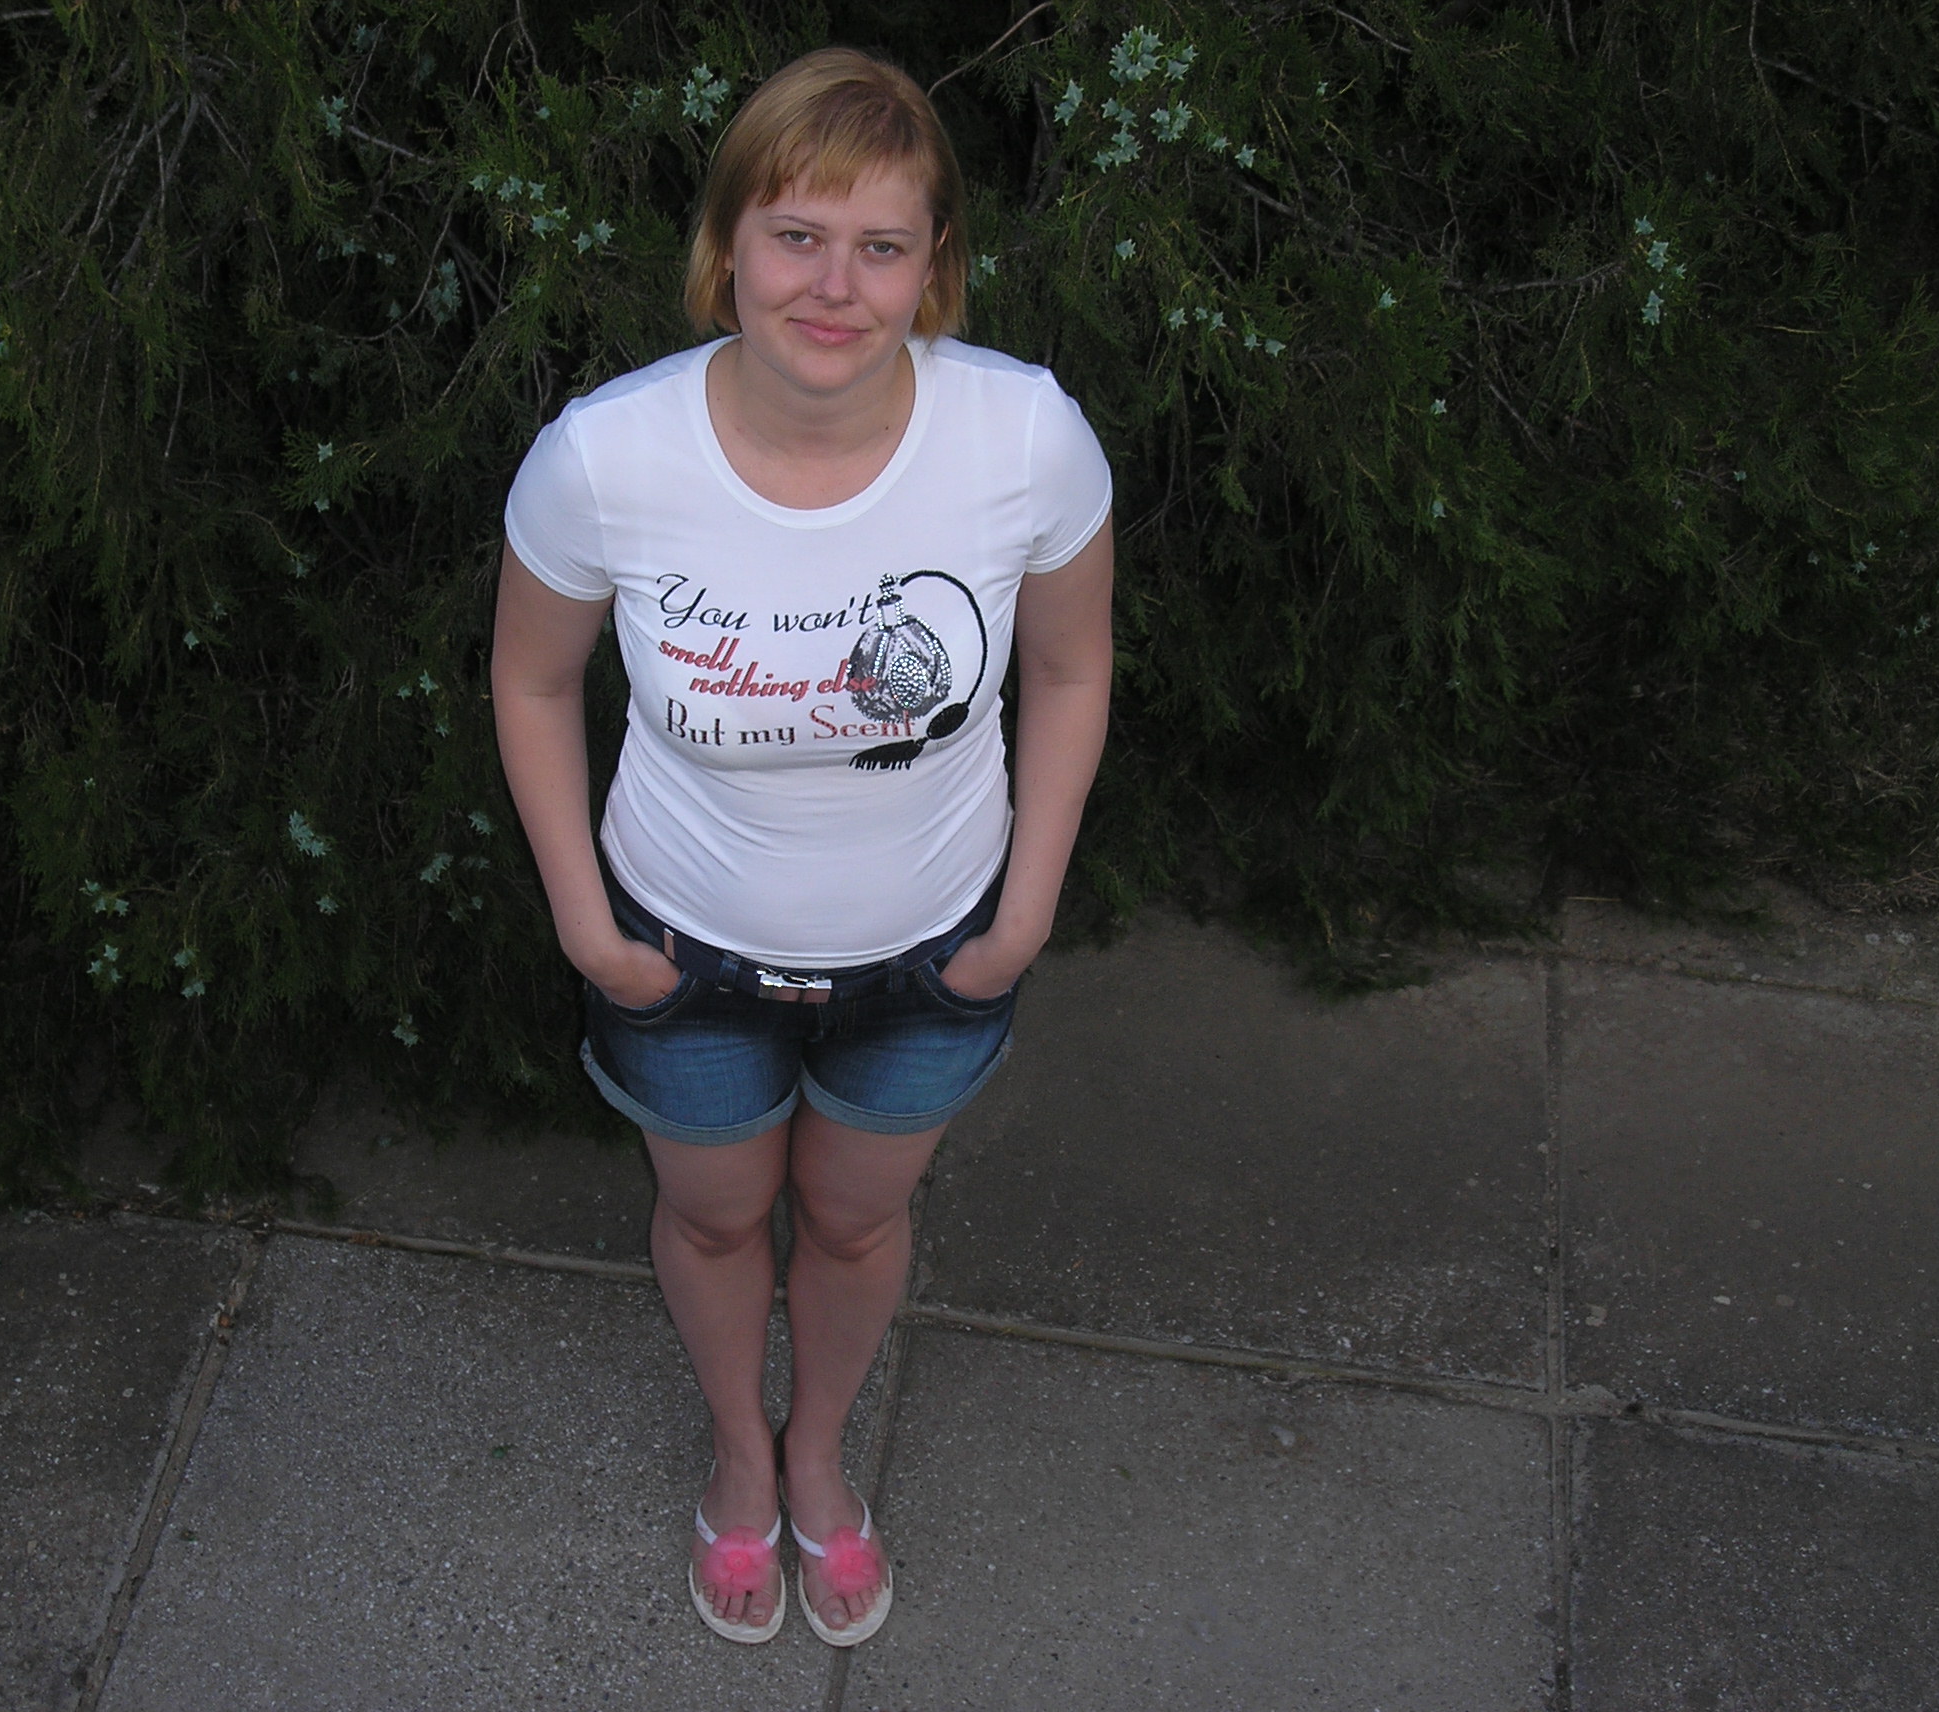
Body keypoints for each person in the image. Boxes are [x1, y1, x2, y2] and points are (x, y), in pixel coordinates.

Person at [491, 45, 1112, 1648]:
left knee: (852, 1221)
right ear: (726, 247)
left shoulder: (1024, 440)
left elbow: (1071, 668)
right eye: (796, 236)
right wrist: (588, 929)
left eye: (881, 246)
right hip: (681, 957)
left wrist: (1025, 913)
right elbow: (532, 681)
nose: (835, 286)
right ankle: (738, 1457)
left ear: (934, 265)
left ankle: (820, 1456)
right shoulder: (607, 460)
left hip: (935, 959)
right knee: (712, 1219)